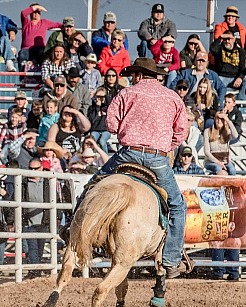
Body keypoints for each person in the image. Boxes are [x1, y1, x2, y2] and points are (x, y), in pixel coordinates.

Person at [69, 58, 189, 283]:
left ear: (138, 75)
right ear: (156, 76)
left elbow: (112, 125)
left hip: (128, 154)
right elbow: (181, 132)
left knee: (92, 186)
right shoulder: (173, 97)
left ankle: (71, 229)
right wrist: (165, 145)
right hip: (157, 160)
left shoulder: (126, 94)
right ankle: (171, 260)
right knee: (177, 205)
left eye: (133, 74)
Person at [22, 157, 54, 278]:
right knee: (32, 248)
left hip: (43, 221)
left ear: (41, 168)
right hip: (29, 222)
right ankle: (35, 272)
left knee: (39, 248)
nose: (33, 171)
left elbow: (55, 199)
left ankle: (34, 272)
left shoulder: (47, 182)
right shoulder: (24, 182)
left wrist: (55, 218)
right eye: (31, 169)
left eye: (36, 168)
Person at [18, 3, 62, 68]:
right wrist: (35, 7)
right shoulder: (26, 22)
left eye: (38, 12)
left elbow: (58, 25)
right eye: (34, 12)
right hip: (26, 49)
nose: (36, 14)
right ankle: (22, 77)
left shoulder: (44, 22)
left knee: (43, 55)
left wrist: (67, 27)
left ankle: (35, 66)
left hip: (39, 49)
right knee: (22, 58)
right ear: (30, 13)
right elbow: (23, 13)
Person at [209, 30, 246, 100]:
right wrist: (221, 37)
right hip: (221, 77)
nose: (227, 41)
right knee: (212, 83)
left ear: (234, 39)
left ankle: (241, 104)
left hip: (235, 78)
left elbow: (242, 67)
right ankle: (218, 105)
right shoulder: (219, 49)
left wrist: (240, 78)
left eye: (229, 39)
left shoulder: (241, 51)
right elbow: (212, 49)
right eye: (225, 39)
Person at [203, 111, 239, 175]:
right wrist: (218, 162)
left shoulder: (227, 132)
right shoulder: (207, 131)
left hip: (225, 160)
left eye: (222, 119)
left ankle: (231, 185)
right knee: (218, 168)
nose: (219, 121)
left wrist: (227, 120)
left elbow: (235, 135)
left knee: (232, 169)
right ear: (215, 120)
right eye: (218, 119)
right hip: (211, 161)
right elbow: (207, 152)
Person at [87, 88, 112, 153]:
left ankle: (105, 157)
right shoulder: (92, 108)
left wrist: (105, 98)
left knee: (102, 141)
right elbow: (92, 120)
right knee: (92, 141)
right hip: (95, 130)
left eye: (102, 97)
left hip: (106, 130)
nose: (100, 98)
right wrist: (97, 107)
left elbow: (111, 105)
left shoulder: (108, 107)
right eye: (98, 96)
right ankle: (91, 156)